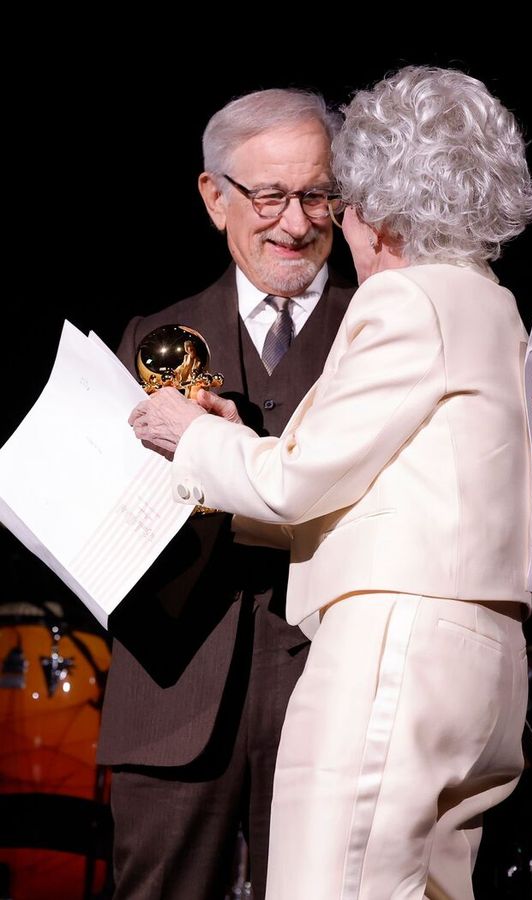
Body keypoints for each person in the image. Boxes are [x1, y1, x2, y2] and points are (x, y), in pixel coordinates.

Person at [128, 66, 532, 900]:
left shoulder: (403, 300)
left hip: (395, 650)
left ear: (377, 198)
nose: (329, 223)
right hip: (482, 669)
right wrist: (240, 452)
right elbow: (397, 490)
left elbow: (297, 485)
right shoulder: (496, 306)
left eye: (335, 200)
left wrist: (193, 437)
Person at [96, 88, 355, 900]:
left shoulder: (384, 329)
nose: (296, 222)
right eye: (271, 195)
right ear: (215, 197)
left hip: (332, 695)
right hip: (171, 699)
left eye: (317, 194)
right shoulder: (151, 336)